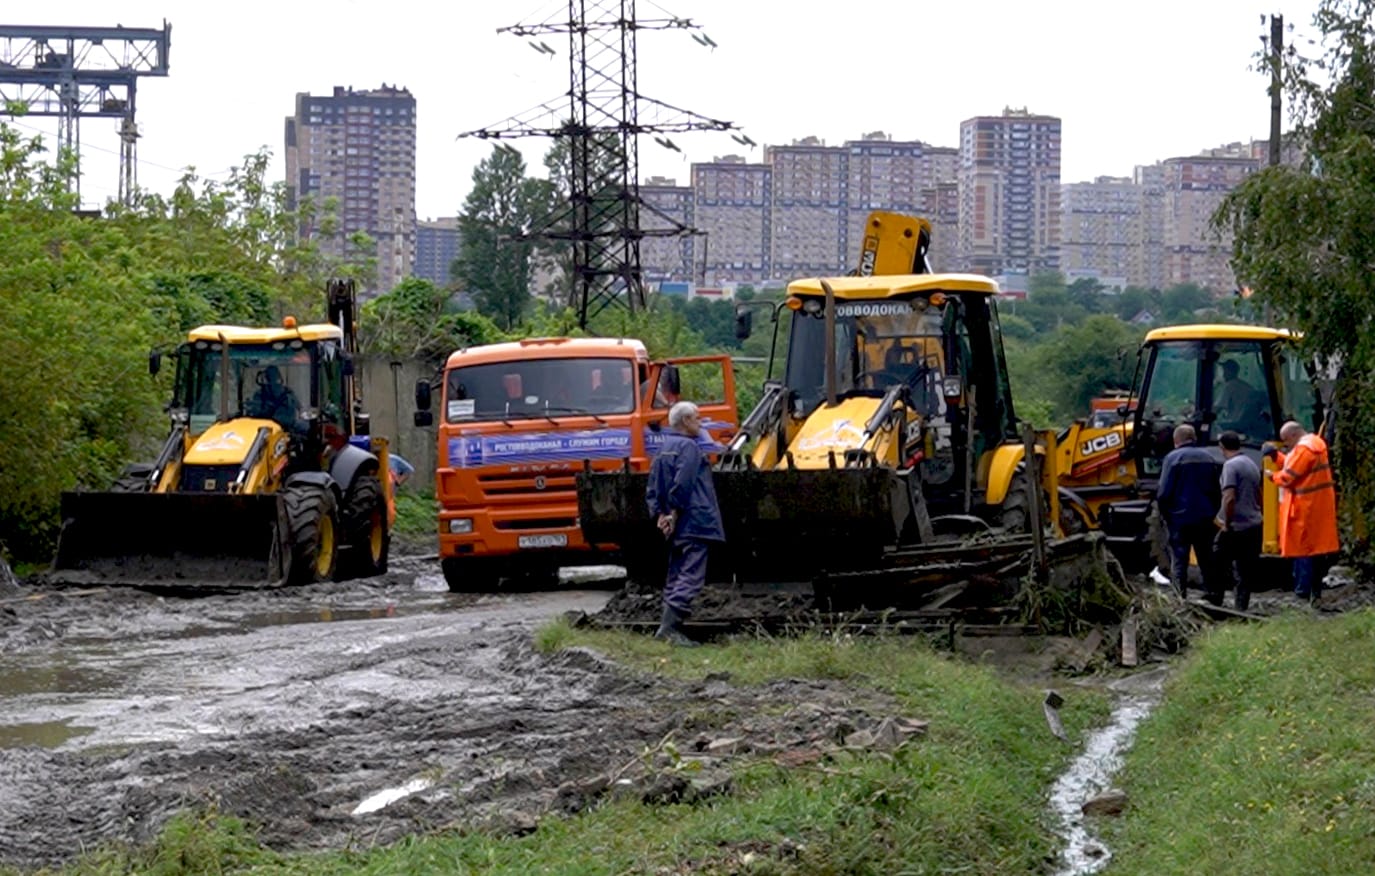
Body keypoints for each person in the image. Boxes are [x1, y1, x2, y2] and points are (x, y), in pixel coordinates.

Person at [645, 400, 726, 647]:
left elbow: (653, 487)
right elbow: (684, 483)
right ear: (686, 421)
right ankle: (669, 629)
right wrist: (674, 513)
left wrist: (660, 513)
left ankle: (666, 627)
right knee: (691, 575)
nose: (701, 423)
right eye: (698, 419)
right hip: (695, 521)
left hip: (678, 527)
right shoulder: (689, 448)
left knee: (676, 573)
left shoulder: (663, 449)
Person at [1266, 420, 1339, 601]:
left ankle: (1302, 590)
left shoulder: (1305, 450)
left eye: (1286, 441)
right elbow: (1297, 466)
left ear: (1293, 435)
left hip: (1305, 506)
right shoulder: (1313, 446)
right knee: (1312, 549)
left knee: (1304, 549)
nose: (1286, 445)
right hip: (1314, 505)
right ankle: (1310, 590)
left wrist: (1272, 476)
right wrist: (1277, 457)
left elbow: (1289, 477)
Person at [1155, 423, 1221, 598]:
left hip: (1180, 518)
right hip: (1204, 516)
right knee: (1206, 556)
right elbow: (1216, 489)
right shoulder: (1208, 457)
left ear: (1176, 440)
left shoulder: (1172, 458)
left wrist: (1166, 515)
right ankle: (1212, 593)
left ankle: (1179, 594)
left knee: (1179, 557)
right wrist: (1213, 511)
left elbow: (1163, 492)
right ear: (1195, 438)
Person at [1212, 431, 1262, 610]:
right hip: (1254, 523)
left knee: (1217, 560)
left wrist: (1227, 523)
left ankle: (1216, 600)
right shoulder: (1251, 464)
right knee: (1245, 568)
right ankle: (1242, 606)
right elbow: (1259, 494)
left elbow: (1229, 497)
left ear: (1221, 447)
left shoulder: (1230, 466)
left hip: (1236, 525)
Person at [247, 365, 301, 430]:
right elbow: (255, 413)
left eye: (275, 377)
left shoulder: (288, 393)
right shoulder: (260, 394)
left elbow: (300, 409)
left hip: (287, 430)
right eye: (272, 377)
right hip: (265, 430)